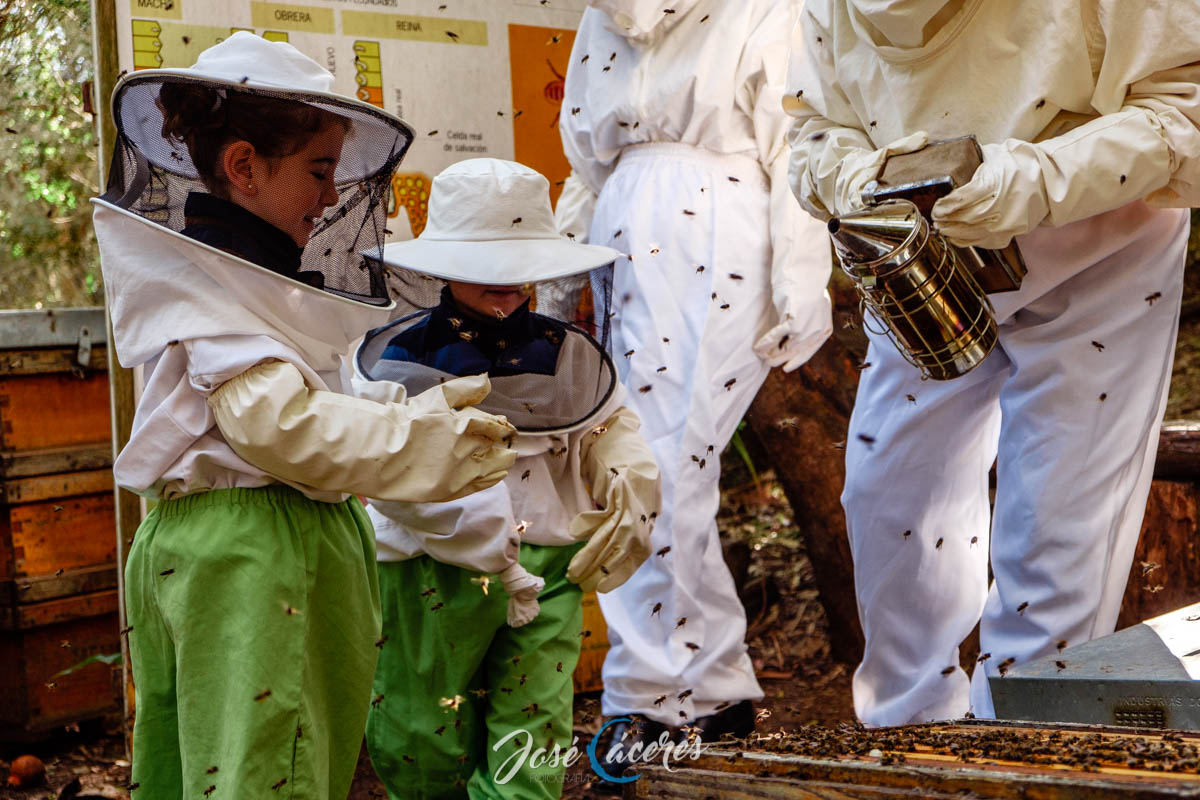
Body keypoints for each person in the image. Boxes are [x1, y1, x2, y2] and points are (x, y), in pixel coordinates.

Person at [93, 33, 517, 797]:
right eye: (319, 171)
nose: (331, 196)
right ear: (245, 167)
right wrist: (426, 444)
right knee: (267, 771)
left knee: (214, 761)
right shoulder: (213, 292)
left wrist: (416, 411)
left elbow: (301, 405)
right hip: (254, 554)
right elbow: (278, 426)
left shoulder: (228, 281)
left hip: (242, 547)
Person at [786, 0, 1200, 725]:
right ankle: (907, 730)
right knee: (891, 499)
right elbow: (813, 125)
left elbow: (1184, 113)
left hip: (1102, 248)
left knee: (1059, 521)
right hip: (917, 254)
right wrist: (855, 179)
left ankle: (1020, 740)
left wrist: (1034, 179)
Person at [554, 0, 833, 764]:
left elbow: (797, 137)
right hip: (622, 227)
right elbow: (585, 159)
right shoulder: (599, 19)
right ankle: (707, 685)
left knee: (661, 464)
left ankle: (654, 698)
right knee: (643, 460)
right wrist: (555, 269)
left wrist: (801, 281)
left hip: (716, 218)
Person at [356, 158, 661, 799]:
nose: (503, 286)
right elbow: (372, 461)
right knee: (419, 743)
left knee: (533, 744)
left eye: (514, 263)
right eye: (482, 266)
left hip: (548, 566)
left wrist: (629, 471)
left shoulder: (571, 352)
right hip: (426, 571)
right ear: (443, 264)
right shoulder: (391, 359)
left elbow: (607, 426)